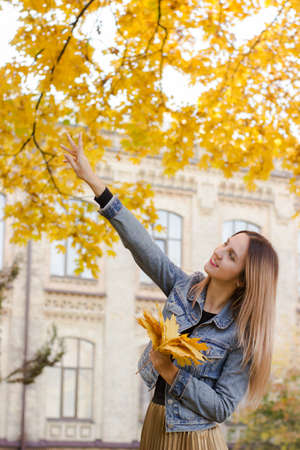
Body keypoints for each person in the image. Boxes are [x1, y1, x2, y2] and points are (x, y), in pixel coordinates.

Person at [62, 132, 279, 450]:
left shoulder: (241, 333)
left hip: (195, 438)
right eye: (225, 244)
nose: (219, 252)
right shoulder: (183, 288)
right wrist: (93, 181)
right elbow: (142, 245)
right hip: (156, 421)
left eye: (231, 255)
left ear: (244, 280)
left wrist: (171, 371)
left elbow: (221, 407)